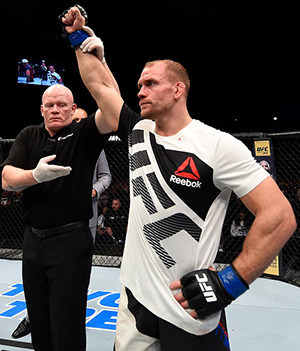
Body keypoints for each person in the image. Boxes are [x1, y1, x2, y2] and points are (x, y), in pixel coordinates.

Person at [61, 7, 296, 350]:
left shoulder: (217, 146)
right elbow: (100, 86)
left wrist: (230, 281)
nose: (140, 90)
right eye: (139, 84)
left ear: (178, 89)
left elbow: (279, 215)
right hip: (134, 298)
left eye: (151, 83)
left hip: (187, 305)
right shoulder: (138, 132)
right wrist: (78, 37)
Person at [0, 82, 115, 350]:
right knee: (39, 321)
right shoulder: (29, 135)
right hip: (33, 242)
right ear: (41, 109)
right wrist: (34, 176)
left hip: (71, 242)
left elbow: (111, 107)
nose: (55, 110)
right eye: (49, 105)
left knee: (67, 324)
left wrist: (99, 61)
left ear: (73, 109)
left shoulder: (84, 133)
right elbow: (6, 179)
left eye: (62, 104)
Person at [72, 107, 112, 240]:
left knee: (85, 256)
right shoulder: (60, 145)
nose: (78, 123)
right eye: (75, 120)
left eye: (82, 120)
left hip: (88, 212)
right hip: (63, 216)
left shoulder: (96, 147)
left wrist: (95, 189)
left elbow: (105, 176)